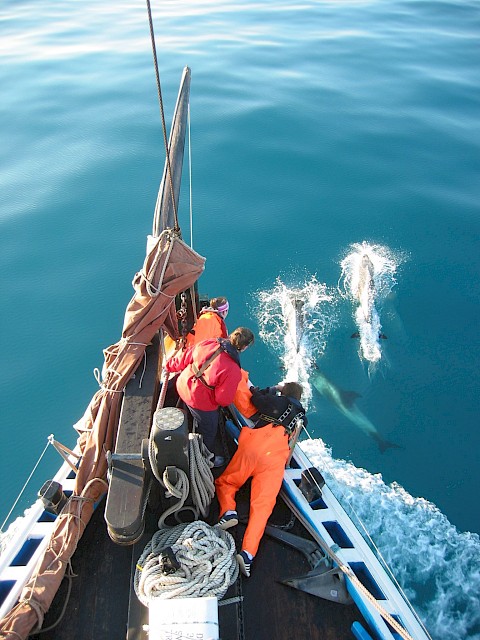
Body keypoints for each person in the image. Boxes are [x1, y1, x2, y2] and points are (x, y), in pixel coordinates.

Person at [215, 378, 307, 577]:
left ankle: (229, 511)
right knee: (262, 508)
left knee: (227, 482)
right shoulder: (302, 417)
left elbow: (257, 400)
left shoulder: (280, 402)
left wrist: (271, 389)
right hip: (275, 461)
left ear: (285, 393)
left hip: (255, 448)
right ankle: (247, 554)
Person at [164, 327, 255, 466]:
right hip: (199, 401)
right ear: (244, 347)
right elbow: (223, 400)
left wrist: (169, 366)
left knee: (188, 408)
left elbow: (185, 357)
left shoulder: (210, 343)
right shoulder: (233, 370)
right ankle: (206, 459)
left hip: (182, 385)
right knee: (209, 430)